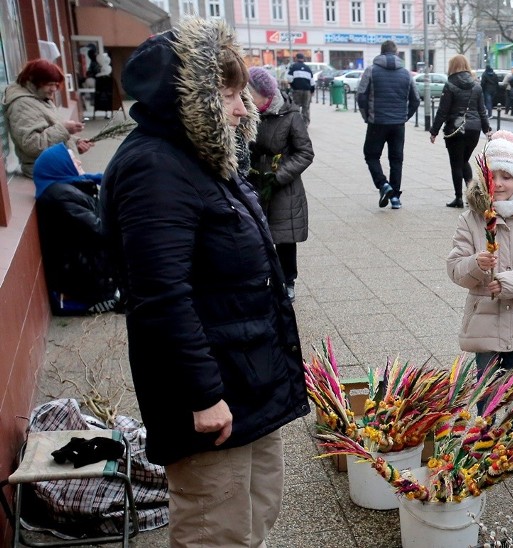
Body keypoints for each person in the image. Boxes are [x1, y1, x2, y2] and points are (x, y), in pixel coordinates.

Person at [100, 18, 310, 547]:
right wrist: (203, 396)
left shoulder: (202, 155)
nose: (243, 108)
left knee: (258, 508)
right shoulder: (155, 168)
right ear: (188, 98)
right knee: (216, 528)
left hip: (248, 377)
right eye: (230, 94)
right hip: (211, 394)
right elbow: (160, 297)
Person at [447, 130, 513, 473]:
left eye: (507, 176)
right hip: (484, 317)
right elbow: (454, 268)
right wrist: (476, 266)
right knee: (486, 382)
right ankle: (489, 439)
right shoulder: (472, 219)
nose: (500, 183)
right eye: (493, 176)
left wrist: (508, 282)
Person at [246, 66, 315, 302]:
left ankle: (288, 281)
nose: (245, 98)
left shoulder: (290, 115)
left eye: (249, 93)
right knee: (256, 235)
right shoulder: (247, 113)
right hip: (254, 184)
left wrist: (278, 176)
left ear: (264, 94)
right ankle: (262, 278)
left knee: (284, 238)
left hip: (283, 188)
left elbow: (305, 153)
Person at [33, 143, 117, 315]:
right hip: (84, 281)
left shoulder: (63, 189)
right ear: (61, 167)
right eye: (72, 160)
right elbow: (100, 229)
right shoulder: (61, 198)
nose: (78, 162)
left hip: (86, 269)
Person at [357, 40, 420, 210]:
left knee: (371, 155)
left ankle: (383, 184)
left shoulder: (371, 70)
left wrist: (366, 117)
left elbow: (361, 96)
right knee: (396, 160)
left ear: (381, 52)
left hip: (377, 122)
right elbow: (415, 99)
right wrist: (405, 116)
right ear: (396, 53)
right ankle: (395, 199)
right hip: (398, 124)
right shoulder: (406, 74)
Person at [3, 59, 94, 178]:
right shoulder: (22, 105)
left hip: (57, 168)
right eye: (50, 84)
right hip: (47, 172)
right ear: (33, 81)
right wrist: (64, 129)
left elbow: (49, 129)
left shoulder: (40, 97)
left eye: (56, 85)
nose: (54, 89)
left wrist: (75, 142)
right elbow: (32, 145)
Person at [429, 55, 491, 208]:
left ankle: (458, 198)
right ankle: (472, 197)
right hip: (474, 130)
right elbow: (482, 111)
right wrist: (487, 130)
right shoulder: (476, 85)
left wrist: (434, 131)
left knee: (456, 163)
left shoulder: (450, 84)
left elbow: (443, 111)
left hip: (455, 129)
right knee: (464, 161)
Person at [287, 52, 314, 126]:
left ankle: (297, 123)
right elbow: (312, 82)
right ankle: (305, 123)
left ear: (296, 58)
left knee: (296, 106)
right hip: (307, 91)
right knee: (306, 107)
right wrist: (312, 91)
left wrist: (292, 85)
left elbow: (289, 79)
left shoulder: (293, 67)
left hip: (297, 90)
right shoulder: (308, 68)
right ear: (303, 59)